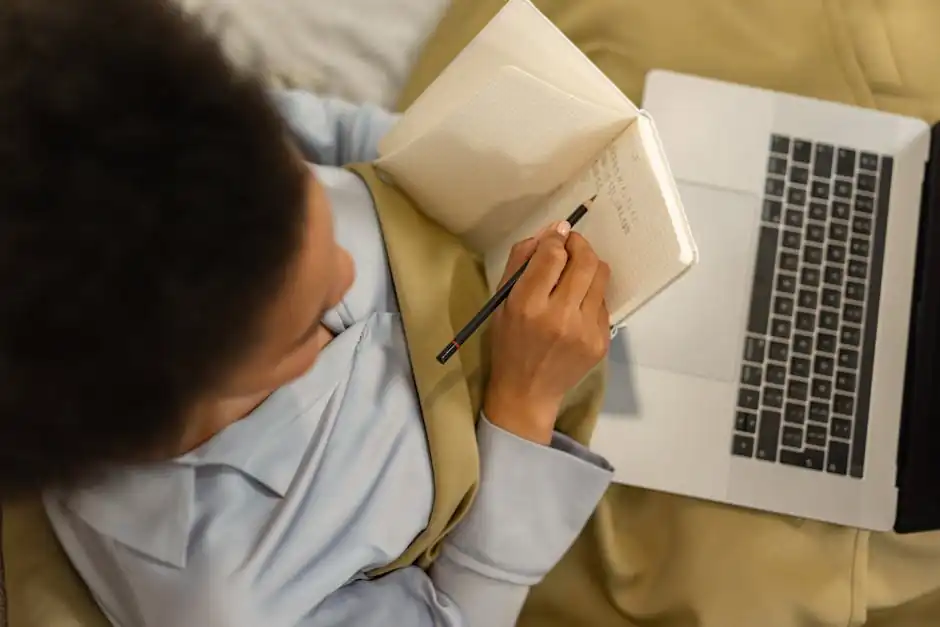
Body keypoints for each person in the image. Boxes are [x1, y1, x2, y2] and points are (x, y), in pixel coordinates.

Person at [0, 0, 615, 625]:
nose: (347, 272)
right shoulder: (234, 596)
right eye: (303, 327)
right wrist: (523, 411)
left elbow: (340, 133)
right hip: (536, 460)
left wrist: (458, 157)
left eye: (311, 194)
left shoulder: (175, 131)